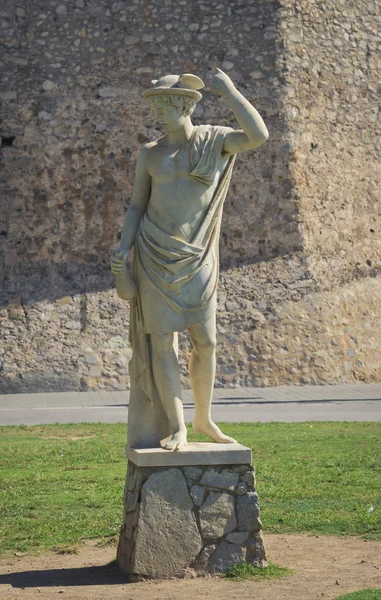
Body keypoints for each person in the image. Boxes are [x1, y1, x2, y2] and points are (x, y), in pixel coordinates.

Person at [111, 68, 268, 451]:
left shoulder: (214, 141)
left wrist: (229, 89)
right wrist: (123, 246)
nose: (158, 114)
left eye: (164, 106)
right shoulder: (150, 154)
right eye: (156, 107)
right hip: (153, 252)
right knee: (162, 342)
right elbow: (136, 206)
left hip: (198, 256)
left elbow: (258, 136)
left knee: (207, 341)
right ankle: (178, 426)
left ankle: (204, 417)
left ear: (184, 105)